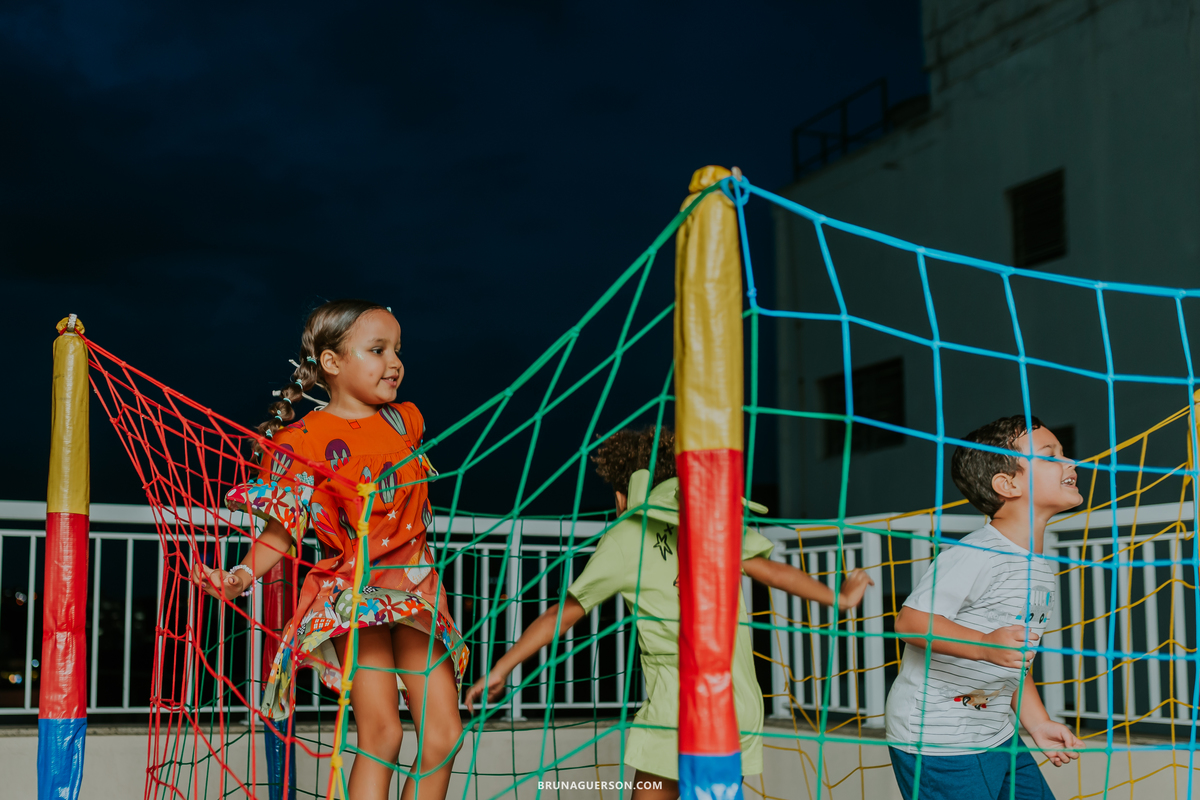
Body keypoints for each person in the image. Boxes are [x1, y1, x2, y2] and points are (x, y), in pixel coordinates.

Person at [464, 426, 873, 800]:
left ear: (624, 495)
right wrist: (840, 598)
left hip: (675, 708)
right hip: (734, 700)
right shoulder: (711, 521)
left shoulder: (626, 536)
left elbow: (563, 614)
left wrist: (501, 667)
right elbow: (774, 572)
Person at [192, 299, 469, 800]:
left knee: (445, 735)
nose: (395, 363)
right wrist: (237, 577)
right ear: (332, 363)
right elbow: (283, 530)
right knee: (383, 734)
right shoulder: (304, 440)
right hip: (355, 594)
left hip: (415, 587)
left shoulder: (407, 421)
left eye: (398, 350)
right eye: (378, 349)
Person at [887, 415, 1083, 800]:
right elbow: (910, 622)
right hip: (940, 740)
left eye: (1064, 453)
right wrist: (983, 644)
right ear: (1007, 484)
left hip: (998, 734)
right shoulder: (977, 553)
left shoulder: (1039, 568)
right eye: (1050, 456)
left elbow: (1013, 658)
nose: (1070, 463)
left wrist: (1038, 721)